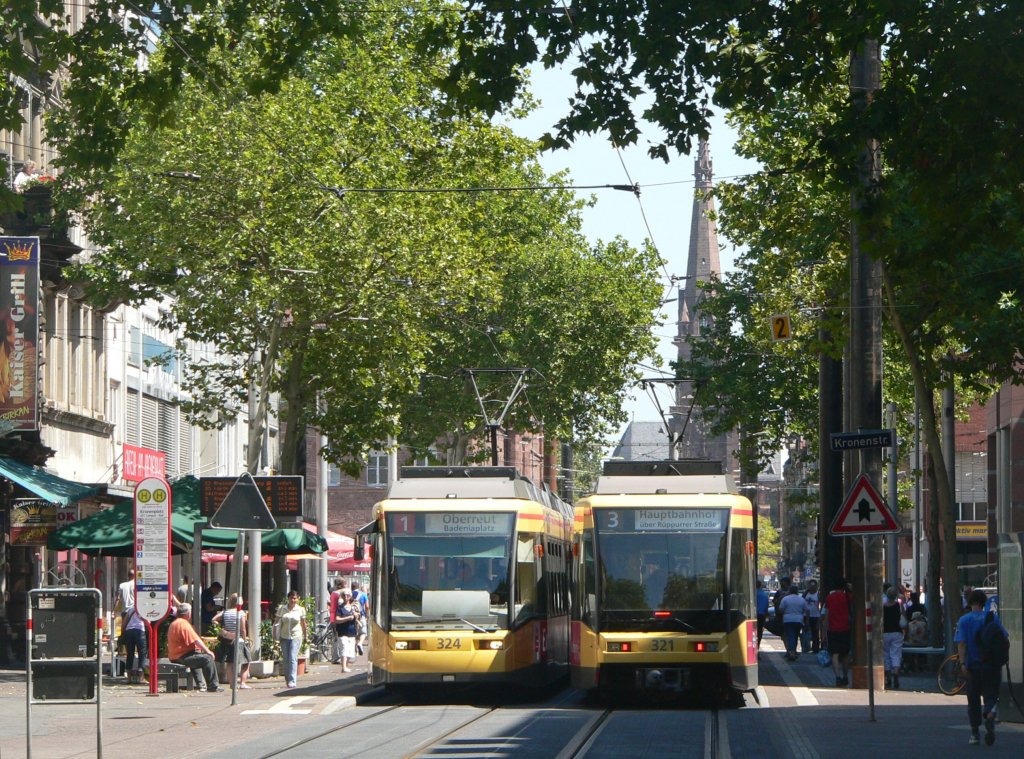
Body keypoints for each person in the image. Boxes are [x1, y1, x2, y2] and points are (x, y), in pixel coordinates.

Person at [955, 588, 1009, 746]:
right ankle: (990, 713)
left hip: (973, 666)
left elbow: (962, 643)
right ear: (984, 602)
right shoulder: (992, 618)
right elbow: (1004, 637)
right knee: (991, 694)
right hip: (991, 665)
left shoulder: (964, 620)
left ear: (970, 602)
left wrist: (963, 663)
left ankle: (974, 732)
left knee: (973, 699)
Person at [167, 603, 221, 692]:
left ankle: (201, 685)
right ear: (188, 613)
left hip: (175, 655)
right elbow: (196, 640)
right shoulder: (183, 624)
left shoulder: (174, 623)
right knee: (207, 658)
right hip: (181, 656)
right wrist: (208, 651)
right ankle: (213, 686)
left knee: (196, 655)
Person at [212, 593, 252, 689]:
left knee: (230, 663)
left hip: (228, 640)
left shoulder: (225, 612)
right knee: (246, 661)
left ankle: (232, 684)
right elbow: (243, 629)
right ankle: (242, 683)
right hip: (239, 640)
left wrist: (221, 627)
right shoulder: (241, 613)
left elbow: (213, 620)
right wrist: (245, 638)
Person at [822, 577, 853, 686]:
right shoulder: (848, 597)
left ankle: (837, 677)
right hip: (846, 629)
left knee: (834, 654)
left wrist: (824, 632)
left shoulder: (830, 598)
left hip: (832, 629)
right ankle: (845, 676)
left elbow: (826, 616)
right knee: (845, 655)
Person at [276, 590, 307, 688]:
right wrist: (274, 635)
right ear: (288, 598)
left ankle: (292, 680)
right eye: (291, 598)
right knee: (286, 659)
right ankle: (287, 679)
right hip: (284, 636)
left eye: (295, 598)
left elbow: (303, 623)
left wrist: (306, 636)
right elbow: (276, 622)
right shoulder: (282, 609)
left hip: (296, 636)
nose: (293, 600)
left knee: (292, 658)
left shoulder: (300, 609)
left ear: (297, 599)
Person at [882, 585, 906, 689]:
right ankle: (896, 674)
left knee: (886, 655)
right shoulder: (898, 605)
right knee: (896, 654)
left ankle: (888, 678)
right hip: (897, 632)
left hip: (885, 632)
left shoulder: (882, 606)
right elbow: (904, 616)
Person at [778, 585, 807, 661]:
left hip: (788, 620)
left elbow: (781, 609)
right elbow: (806, 610)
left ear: (790, 591)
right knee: (795, 636)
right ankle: (793, 651)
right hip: (799, 620)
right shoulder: (801, 599)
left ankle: (791, 653)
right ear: (797, 591)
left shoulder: (785, 599)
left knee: (790, 636)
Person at [120, 605, 148, 681]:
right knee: (142, 653)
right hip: (140, 631)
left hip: (129, 631)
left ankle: (129, 678)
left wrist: (122, 633)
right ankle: (141, 677)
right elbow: (147, 622)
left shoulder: (131, 609)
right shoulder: (144, 608)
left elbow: (124, 623)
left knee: (130, 654)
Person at [334, 588, 359, 672]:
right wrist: (348, 618)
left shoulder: (353, 607)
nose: (346, 597)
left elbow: (358, 617)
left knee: (350, 650)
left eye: (347, 595)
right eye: (344, 595)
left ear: (350, 596)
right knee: (344, 647)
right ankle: (343, 667)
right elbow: (337, 619)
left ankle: (346, 666)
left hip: (352, 631)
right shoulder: (340, 608)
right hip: (342, 631)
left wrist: (356, 615)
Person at [802, 580, 822, 654]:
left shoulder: (818, 594)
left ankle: (815, 648)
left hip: (815, 616)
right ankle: (805, 647)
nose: (812, 587)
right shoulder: (806, 593)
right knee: (805, 632)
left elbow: (821, 604)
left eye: (813, 586)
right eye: (810, 586)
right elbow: (802, 600)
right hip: (806, 616)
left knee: (815, 633)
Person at [755, 581, 770, 650]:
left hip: (752, 616)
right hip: (761, 615)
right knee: (759, 633)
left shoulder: (753, 594)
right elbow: (766, 607)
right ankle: (757, 648)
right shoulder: (764, 595)